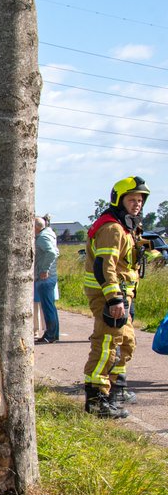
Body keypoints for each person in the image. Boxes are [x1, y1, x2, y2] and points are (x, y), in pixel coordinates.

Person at [82, 176, 149, 418]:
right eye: (132, 199)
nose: (137, 204)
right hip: (108, 294)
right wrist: (114, 299)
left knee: (126, 342)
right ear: (119, 200)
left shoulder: (124, 226)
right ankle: (97, 400)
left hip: (122, 293)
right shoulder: (111, 228)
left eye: (140, 200)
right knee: (107, 343)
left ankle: (115, 389)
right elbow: (104, 266)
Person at [34, 216, 60, 344]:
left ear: (36, 227)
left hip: (45, 277)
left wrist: (44, 269)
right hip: (49, 276)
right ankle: (53, 333)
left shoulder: (42, 238)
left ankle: (50, 334)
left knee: (48, 307)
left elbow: (52, 253)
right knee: (50, 306)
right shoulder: (47, 234)